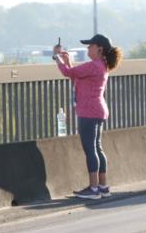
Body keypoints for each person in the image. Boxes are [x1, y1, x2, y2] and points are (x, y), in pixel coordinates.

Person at [52, 33, 123, 199]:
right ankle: (103, 186)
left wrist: (56, 57)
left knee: (90, 149)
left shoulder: (94, 66)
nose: (88, 48)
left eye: (90, 46)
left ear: (100, 49)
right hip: (98, 110)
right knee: (97, 148)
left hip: (88, 112)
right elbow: (75, 75)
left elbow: (67, 73)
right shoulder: (102, 65)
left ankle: (93, 189)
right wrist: (67, 61)